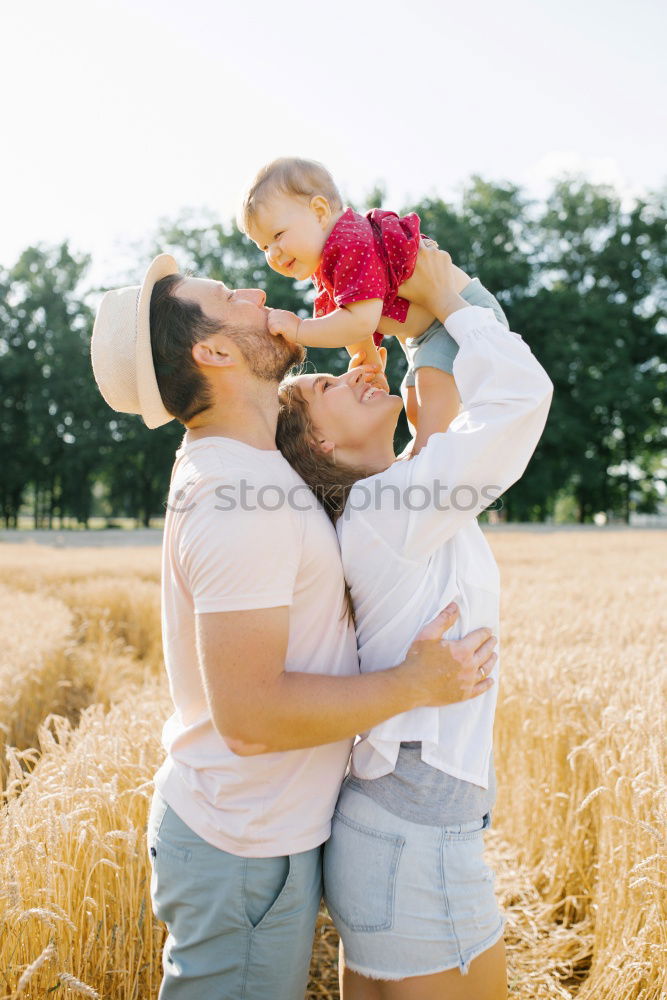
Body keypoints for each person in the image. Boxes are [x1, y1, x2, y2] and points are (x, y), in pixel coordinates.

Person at [89, 249, 500, 1000]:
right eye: (228, 296)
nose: (255, 291)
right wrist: (413, 684)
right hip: (242, 844)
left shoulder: (251, 470)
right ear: (212, 350)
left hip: (259, 838)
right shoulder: (232, 492)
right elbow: (249, 718)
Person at [275, 246, 554, 999]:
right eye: (331, 381)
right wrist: (452, 294)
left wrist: (406, 320)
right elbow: (519, 399)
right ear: (322, 446)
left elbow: (442, 415)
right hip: (416, 840)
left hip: (393, 830)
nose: (354, 372)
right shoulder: (388, 510)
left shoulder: (390, 501)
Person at [239, 156, 509, 454]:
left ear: (318, 212)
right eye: (264, 246)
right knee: (415, 403)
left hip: (461, 313)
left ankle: (426, 463)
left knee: (432, 393)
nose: (273, 253)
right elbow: (350, 323)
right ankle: (422, 457)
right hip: (426, 335)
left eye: (277, 235)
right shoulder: (327, 262)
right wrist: (369, 364)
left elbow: (360, 321)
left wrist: (300, 329)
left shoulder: (350, 243)